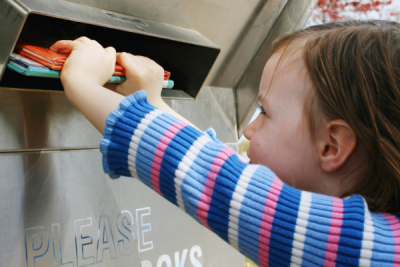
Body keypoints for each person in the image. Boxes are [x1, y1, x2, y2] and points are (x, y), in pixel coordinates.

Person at [50, 20, 400, 266]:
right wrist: (153, 103)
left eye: (264, 112)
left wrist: (83, 84)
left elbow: (222, 187)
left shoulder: (364, 252)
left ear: (331, 147)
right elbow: (225, 174)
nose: (248, 130)